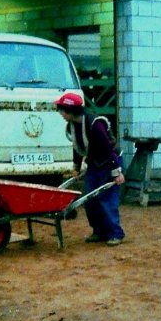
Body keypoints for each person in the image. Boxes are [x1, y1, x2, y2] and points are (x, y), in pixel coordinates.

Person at [54, 91, 125, 246]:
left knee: (106, 198)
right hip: (95, 162)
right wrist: (76, 168)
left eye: (61, 110)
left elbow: (107, 149)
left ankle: (115, 233)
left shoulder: (95, 124)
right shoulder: (72, 125)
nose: (60, 113)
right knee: (89, 198)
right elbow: (77, 147)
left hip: (110, 161)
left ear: (70, 111)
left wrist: (117, 172)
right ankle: (99, 231)